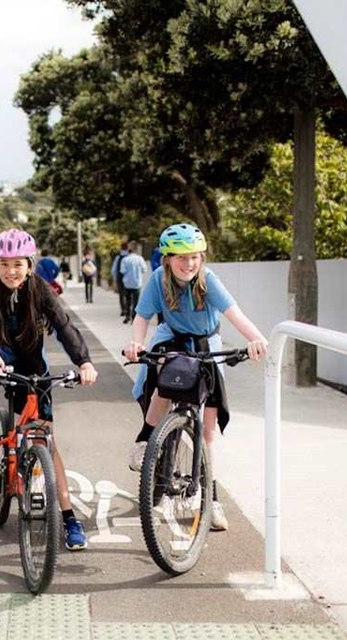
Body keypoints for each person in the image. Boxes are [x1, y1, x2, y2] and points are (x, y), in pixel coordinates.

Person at [122, 223, 267, 532]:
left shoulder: (208, 280)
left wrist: (256, 339)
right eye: (180, 258)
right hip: (172, 340)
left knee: (208, 434)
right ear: (167, 258)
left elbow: (234, 313)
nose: (188, 264)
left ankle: (211, 500)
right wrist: (137, 343)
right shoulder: (158, 282)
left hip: (206, 344)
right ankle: (145, 440)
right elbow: (141, 318)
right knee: (165, 379)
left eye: (194, 257)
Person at [0, 229, 99, 551]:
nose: (11, 271)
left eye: (18, 264)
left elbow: (65, 327)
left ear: (29, 264)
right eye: (5, 264)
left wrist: (84, 363)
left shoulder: (40, 290)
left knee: (47, 442)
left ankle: (69, 519)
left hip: (32, 366)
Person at [119, 241, 148, 324]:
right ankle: (134, 317)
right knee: (136, 301)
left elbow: (122, 271)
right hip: (137, 283)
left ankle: (127, 316)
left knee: (128, 300)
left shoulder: (125, 259)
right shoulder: (140, 259)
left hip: (127, 283)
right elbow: (144, 269)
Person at [110, 243, 129, 317]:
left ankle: (123, 310)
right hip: (128, 278)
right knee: (128, 295)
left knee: (121, 294)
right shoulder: (129, 256)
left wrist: (115, 279)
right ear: (127, 248)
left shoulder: (118, 257)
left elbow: (113, 270)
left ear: (121, 248)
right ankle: (129, 309)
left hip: (120, 278)